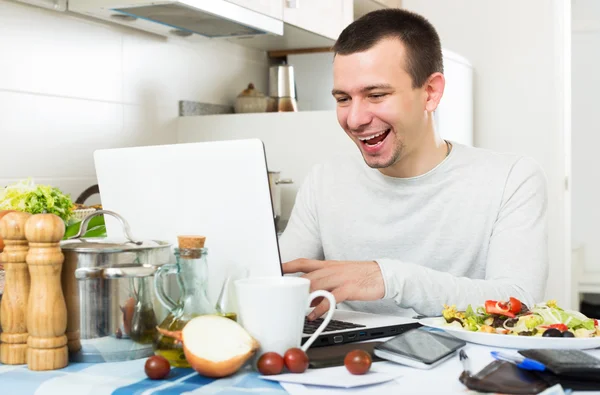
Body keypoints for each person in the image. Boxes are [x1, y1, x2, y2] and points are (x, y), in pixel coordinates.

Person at [278, 8, 548, 320]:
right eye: (342, 99)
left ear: (430, 93)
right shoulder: (325, 179)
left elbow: (520, 301)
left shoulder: (511, 179)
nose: (354, 119)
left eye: (376, 95)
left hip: (462, 365)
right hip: (346, 362)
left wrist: (388, 279)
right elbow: (280, 280)